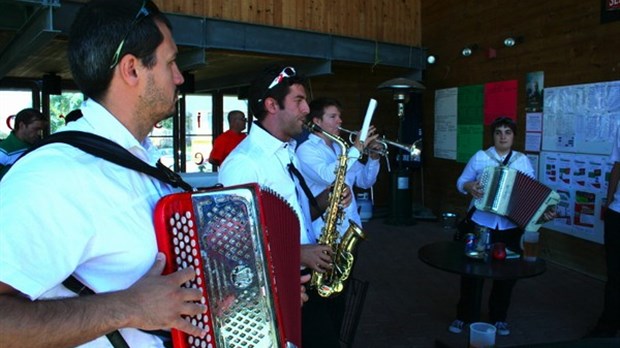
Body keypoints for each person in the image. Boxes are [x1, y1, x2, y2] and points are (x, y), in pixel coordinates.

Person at [0, 1, 209, 346]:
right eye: (171, 62)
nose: (179, 77)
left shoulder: (142, 162)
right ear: (131, 70)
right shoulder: (53, 176)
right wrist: (128, 306)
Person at [218, 65, 350, 348]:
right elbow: (234, 252)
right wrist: (299, 254)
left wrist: (328, 198)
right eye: (299, 101)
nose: (306, 109)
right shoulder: (244, 164)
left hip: (306, 280)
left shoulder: (288, 151)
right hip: (280, 292)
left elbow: (297, 217)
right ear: (272, 105)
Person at [295, 97, 382, 345]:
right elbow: (328, 174)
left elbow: (364, 181)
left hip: (349, 232)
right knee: (325, 296)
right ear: (317, 121)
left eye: (339, 117)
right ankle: (327, 338)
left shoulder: (339, 148)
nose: (340, 122)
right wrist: (356, 148)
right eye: (333, 117)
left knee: (341, 294)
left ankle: (336, 336)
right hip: (325, 234)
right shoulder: (307, 150)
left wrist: (373, 158)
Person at [450, 116, 543, 336]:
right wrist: (469, 186)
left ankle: (499, 317)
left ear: (513, 136)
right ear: (493, 136)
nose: (503, 136)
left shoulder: (521, 161)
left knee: (506, 273)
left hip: (510, 226)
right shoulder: (481, 157)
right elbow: (460, 182)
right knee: (472, 271)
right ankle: (464, 316)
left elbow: (530, 190)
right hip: (481, 223)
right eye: (498, 132)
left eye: (507, 132)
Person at [587, 125, 620, 338]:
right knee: (615, 276)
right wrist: (609, 204)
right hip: (617, 213)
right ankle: (607, 327)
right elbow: (617, 166)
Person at [0, 108, 46, 180]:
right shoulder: (3, 151)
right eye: (35, 129)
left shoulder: (39, 146)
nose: (39, 133)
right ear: (22, 125)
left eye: (41, 130)